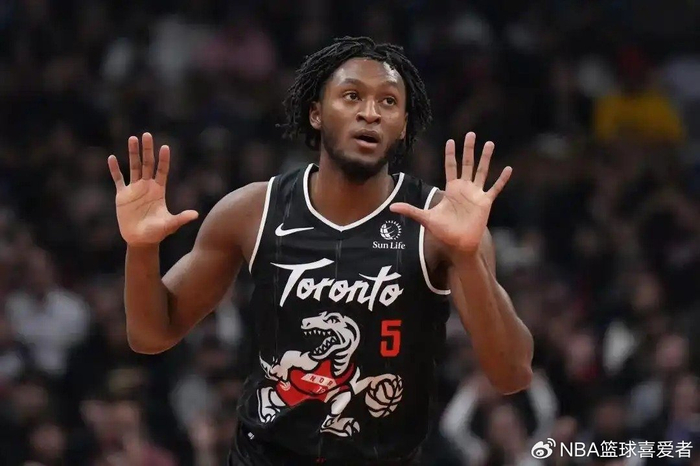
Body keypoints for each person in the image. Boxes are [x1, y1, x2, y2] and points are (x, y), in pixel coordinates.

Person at [107, 37, 534, 466]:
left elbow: (512, 374)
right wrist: (141, 248)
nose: (370, 112)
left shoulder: (438, 221)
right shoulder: (252, 210)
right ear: (316, 113)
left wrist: (468, 255)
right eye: (352, 96)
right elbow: (150, 335)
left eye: (388, 102)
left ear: (403, 126)